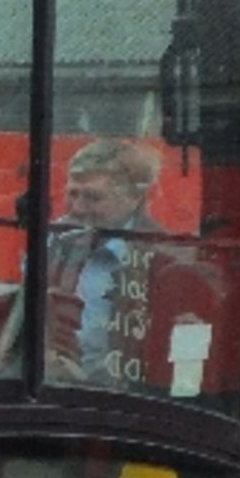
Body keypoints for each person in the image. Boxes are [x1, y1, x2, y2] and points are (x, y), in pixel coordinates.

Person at [48, 139, 162, 383]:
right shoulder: (55, 241)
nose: (77, 208)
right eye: (72, 194)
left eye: (93, 198)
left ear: (134, 198)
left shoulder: (162, 258)